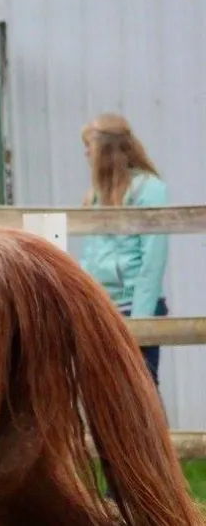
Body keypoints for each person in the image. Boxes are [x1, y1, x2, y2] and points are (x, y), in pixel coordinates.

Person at [75, 113, 169, 386]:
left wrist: (141, 322)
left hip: (133, 305)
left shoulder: (150, 189)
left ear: (105, 151)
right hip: (102, 305)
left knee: (141, 389)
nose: (86, 154)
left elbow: (152, 260)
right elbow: (90, 255)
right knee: (106, 390)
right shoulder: (95, 194)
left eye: (89, 147)